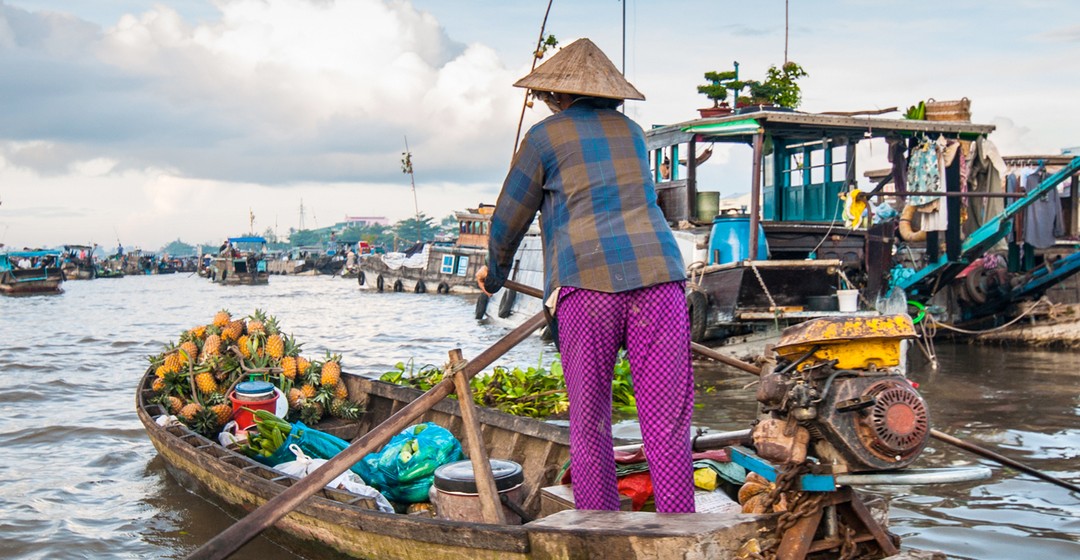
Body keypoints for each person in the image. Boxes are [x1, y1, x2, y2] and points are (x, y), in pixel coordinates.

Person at [475, 38, 695, 514]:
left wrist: (493, 276)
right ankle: (680, 522)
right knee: (666, 418)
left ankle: (598, 522)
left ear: (557, 96)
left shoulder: (542, 137)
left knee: (590, 418)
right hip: (661, 281)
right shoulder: (633, 133)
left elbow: (509, 217)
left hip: (587, 288)